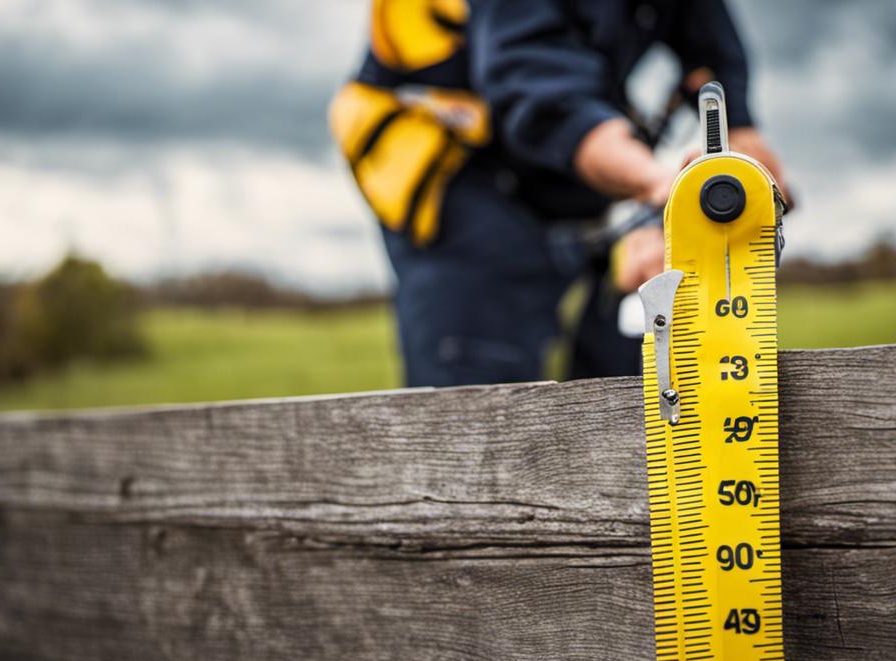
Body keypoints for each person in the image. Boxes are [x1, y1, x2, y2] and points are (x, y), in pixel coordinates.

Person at [330, 0, 786, 387]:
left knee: (634, 366)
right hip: (455, 169)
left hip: (567, 178)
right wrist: (667, 190)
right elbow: (548, 104)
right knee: (481, 401)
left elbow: (713, 51)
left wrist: (745, 147)